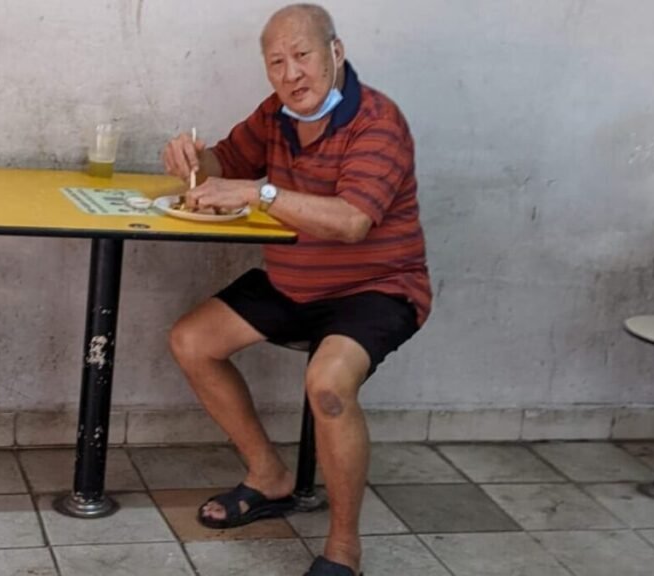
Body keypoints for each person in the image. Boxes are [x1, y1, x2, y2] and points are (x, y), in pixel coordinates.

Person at [161, 4, 431, 575]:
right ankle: (269, 475)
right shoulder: (275, 115)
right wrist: (190, 160)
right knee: (191, 340)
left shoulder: (378, 121)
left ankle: (343, 548)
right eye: (277, 63)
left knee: (328, 384)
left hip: (377, 287)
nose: (292, 74)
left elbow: (352, 221)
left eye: (303, 55)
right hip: (293, 280)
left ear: (336, 52)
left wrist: (257, 194)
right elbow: (224, 163)